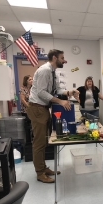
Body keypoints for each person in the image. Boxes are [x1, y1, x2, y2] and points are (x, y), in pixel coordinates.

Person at [27, 49, 79, 183]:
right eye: (62, 58)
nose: (64, 60)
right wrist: (60, 101)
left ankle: (44, 168)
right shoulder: (45, 70)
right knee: (39, 143)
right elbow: (41, 93)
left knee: (44, 141)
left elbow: (57, 90)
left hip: (43, 109)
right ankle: (40, 173)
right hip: (37, 108)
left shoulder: (52, 71)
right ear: (55, 58)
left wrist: (70, 92)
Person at [19, 75, 33, 143]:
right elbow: (23, 100)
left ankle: (33, 139)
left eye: (32, 79)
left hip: (33, 110)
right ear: (26, 81)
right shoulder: (23, 89)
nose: (32, 81)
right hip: (26, 111)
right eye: (30, 80)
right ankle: (28, 142)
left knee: (33, 125)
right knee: (28, 126)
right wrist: (29, 107)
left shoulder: (32, 89)